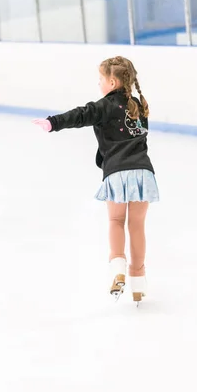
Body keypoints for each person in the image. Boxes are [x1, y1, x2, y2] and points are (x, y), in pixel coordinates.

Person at [33, 56, 159, 305]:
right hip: (144, 173)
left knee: (115, 220)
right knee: (136, 226)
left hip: (117, 173)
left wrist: (53, 123)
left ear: (112, 82)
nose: (99, 84)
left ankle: (118, 269)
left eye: (100, 80)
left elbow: (81, 115)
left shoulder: (105, 106)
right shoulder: (139, 105)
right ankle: (138, 280)